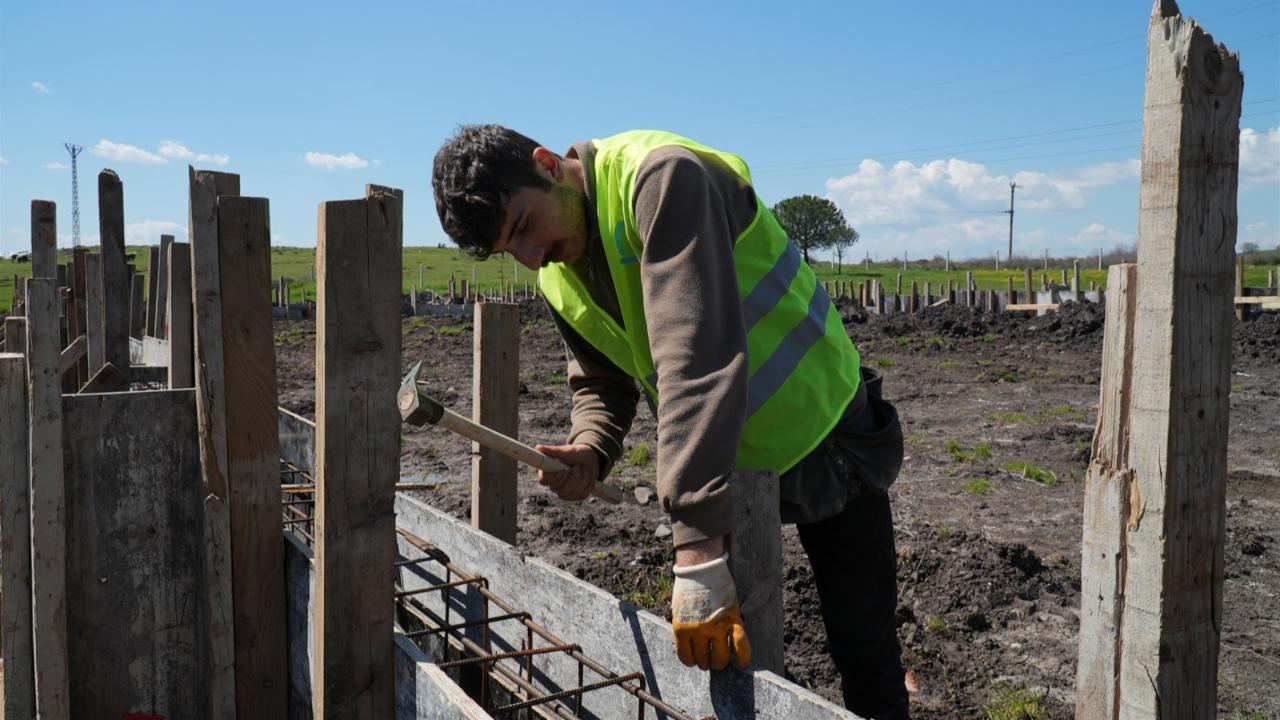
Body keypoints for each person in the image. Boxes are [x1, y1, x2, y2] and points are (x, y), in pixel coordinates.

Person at [432, 125, 909, 719]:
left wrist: (695, 541)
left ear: (549, 165)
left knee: (863, 650)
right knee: (740, 656)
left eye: (525, 226)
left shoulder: (661, 180)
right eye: (511, 250)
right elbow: (602, 380)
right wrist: (591, 445)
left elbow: (696, 356)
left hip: (822, 434)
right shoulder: (555, 269)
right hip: (726, 463)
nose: (530, 257)